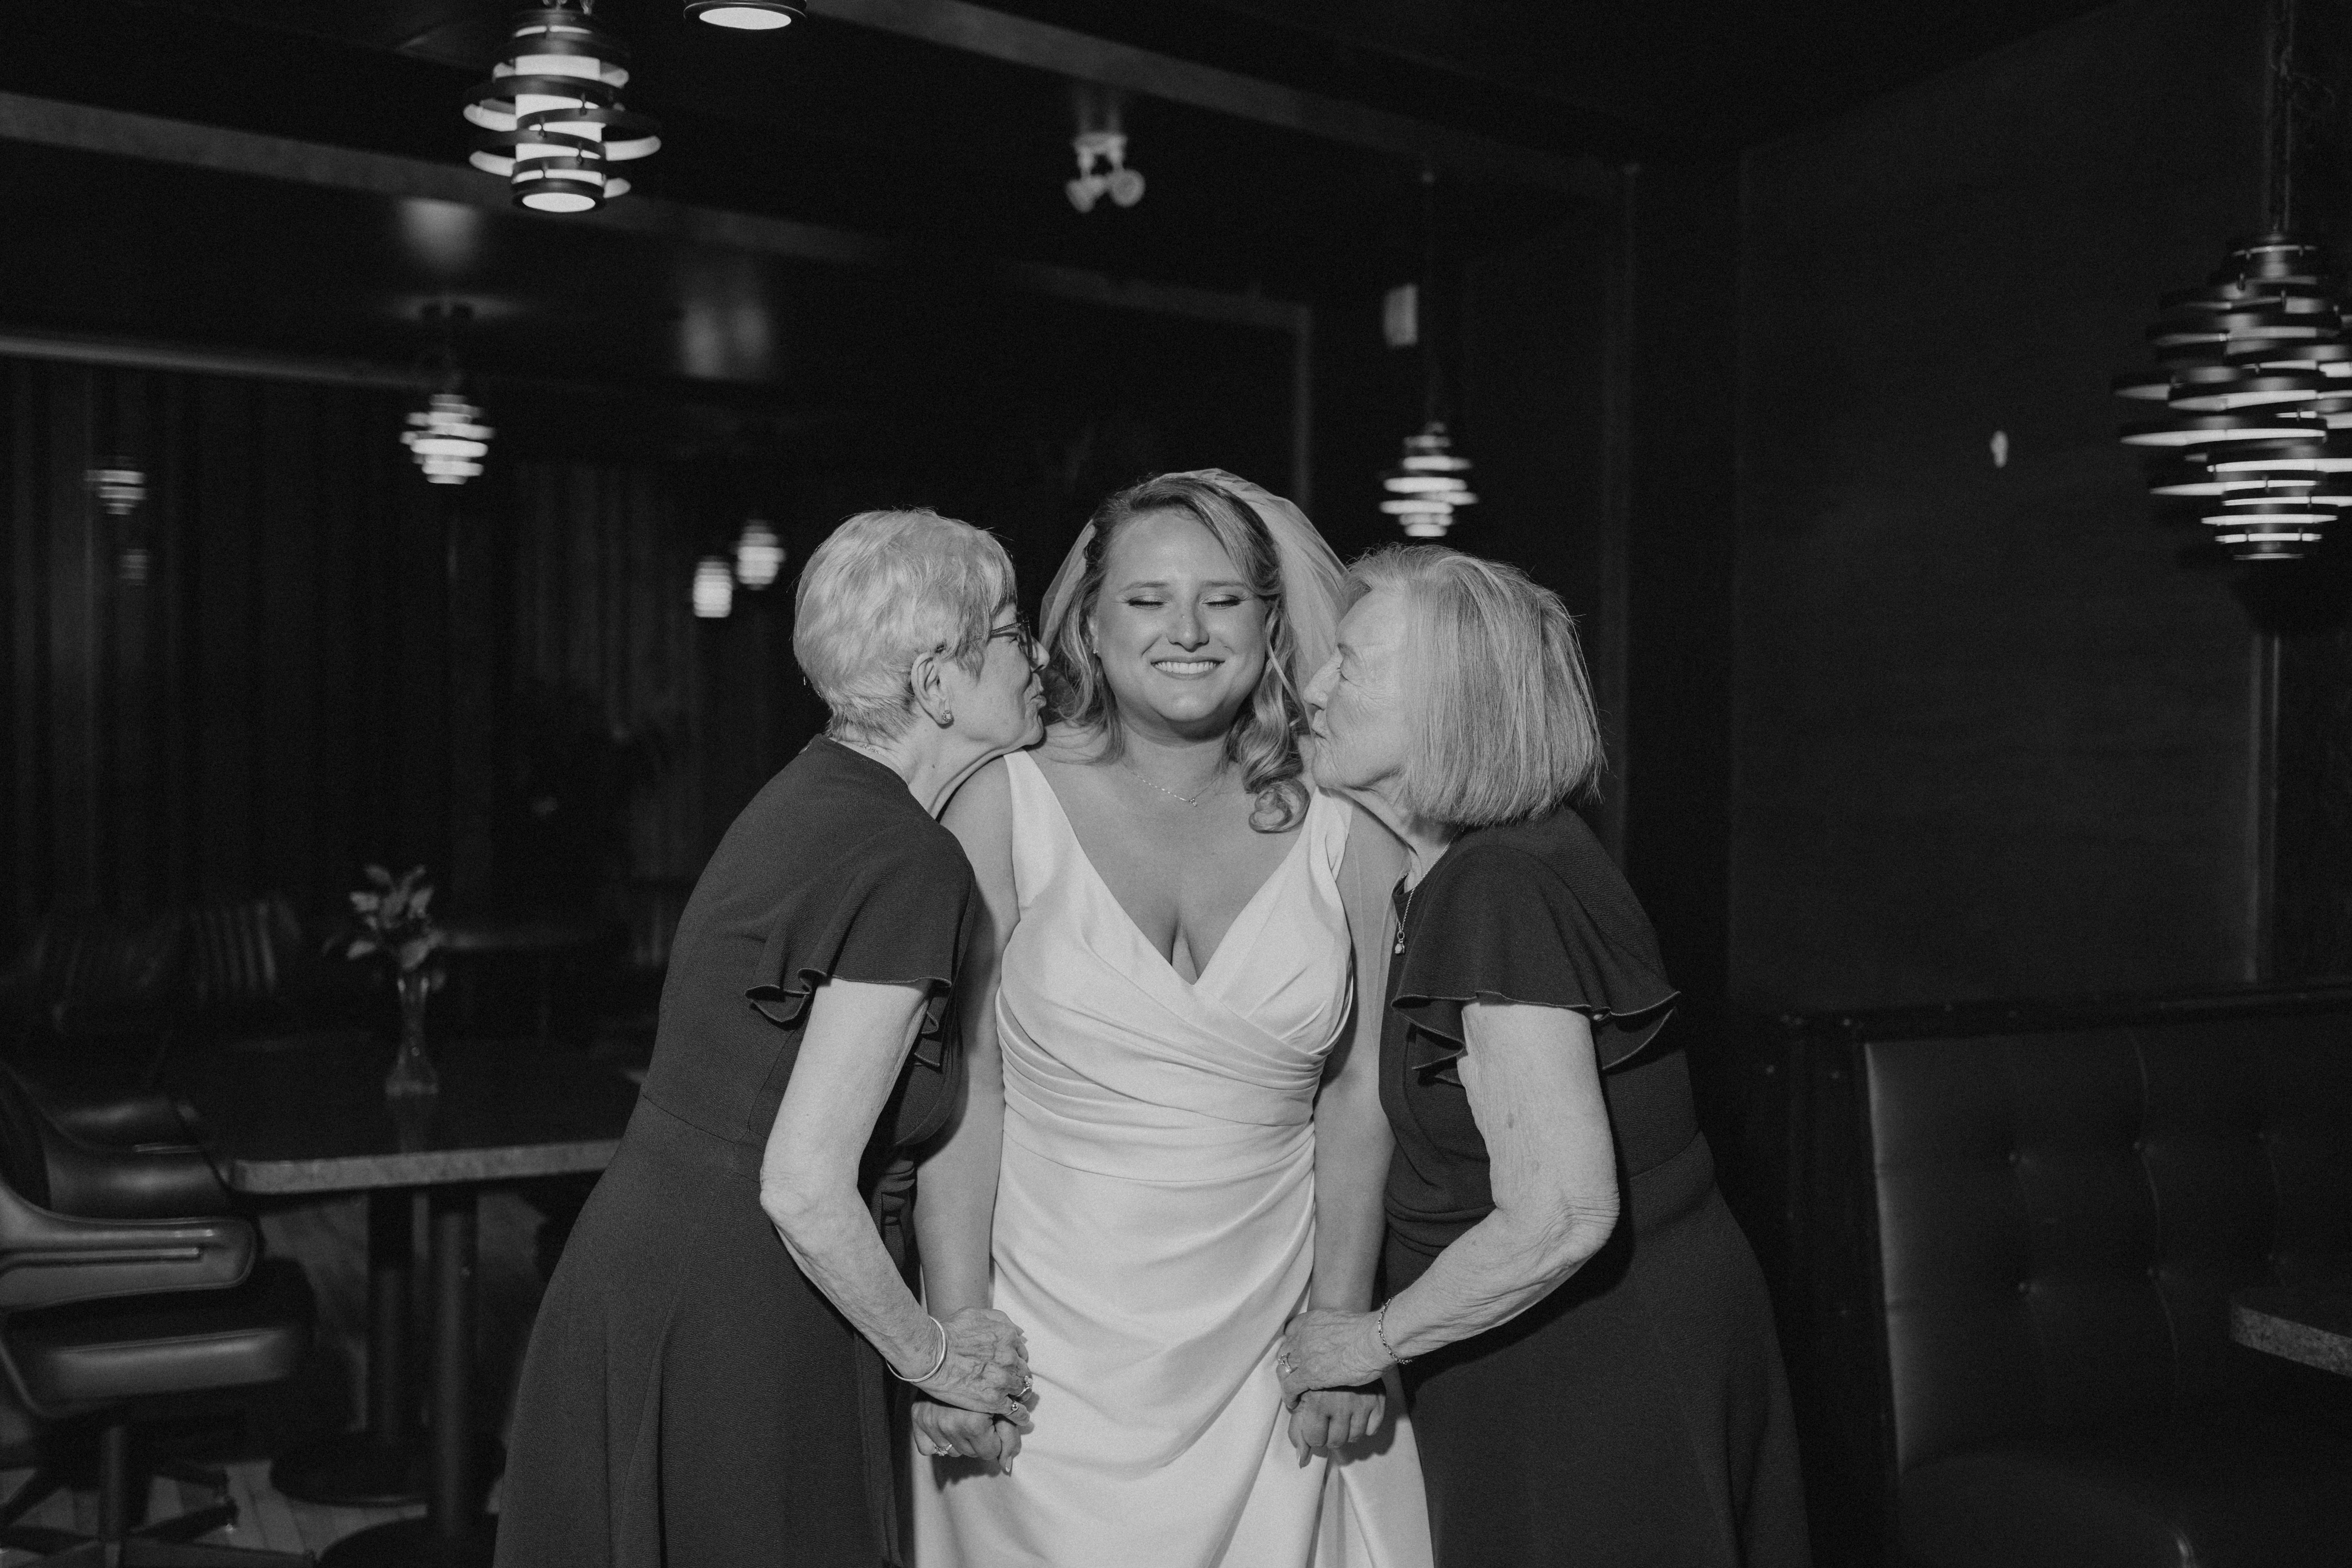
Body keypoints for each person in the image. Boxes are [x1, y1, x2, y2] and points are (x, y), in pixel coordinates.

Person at [497, 509, 1044, 1568]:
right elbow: (802, 1182)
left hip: (659, 1266)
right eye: (1015, 632)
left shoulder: (811, 789)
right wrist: (933, 1356)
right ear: (937, 681)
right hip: (742, 1308)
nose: (1038, 656)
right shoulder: (906, 854)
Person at [912, 472, 1432, 1567]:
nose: (1188, 632)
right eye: (1147, 601)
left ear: (1270, 622)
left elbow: (1361, 1088)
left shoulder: (1351, 823)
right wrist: (955, 1329)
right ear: (1088, 629)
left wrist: (1341, 1326)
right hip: (1044, 1343)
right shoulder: (1002, 804)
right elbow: (967, 1083)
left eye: (1224, 600)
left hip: (1271, 1336)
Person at [1279, 545, 1810, 1568]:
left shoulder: (1495, 887)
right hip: (1570, 1342)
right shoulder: (1481, 861)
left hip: (1595, 1358)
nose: (1314, 687)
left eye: (1352, 664)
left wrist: (1365, 1338)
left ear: (1455, 706)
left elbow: (1564, 1212)